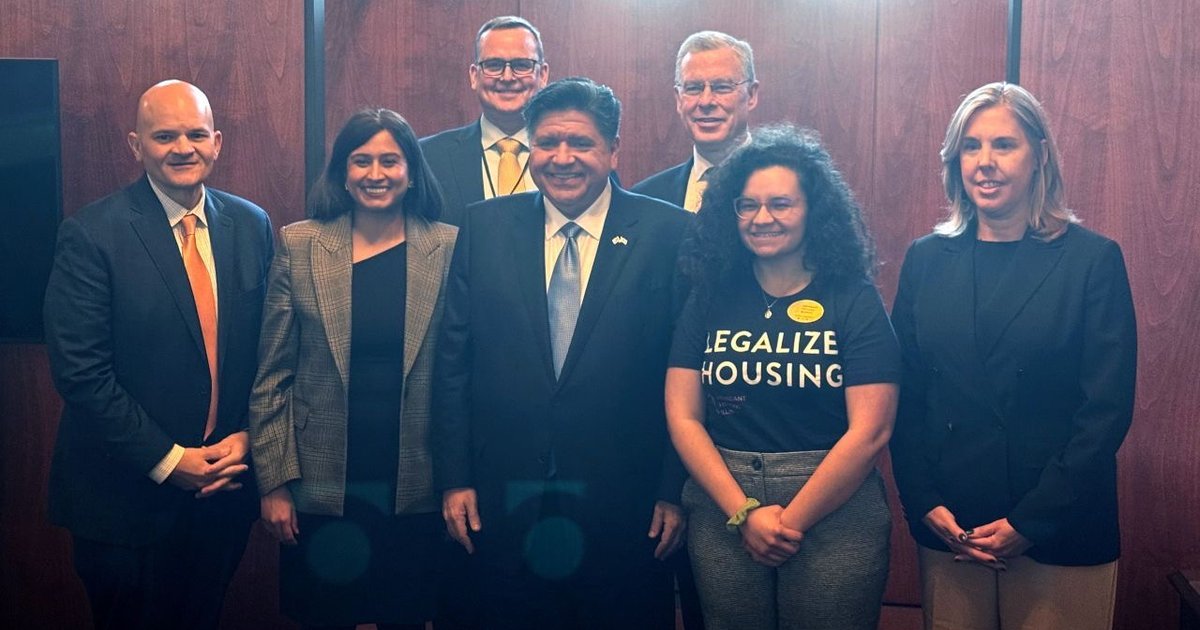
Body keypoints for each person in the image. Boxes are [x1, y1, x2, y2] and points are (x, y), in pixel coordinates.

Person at [432, 77, 690, 629]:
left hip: (627, 499)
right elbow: (453, 363)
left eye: (581, 143)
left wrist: (674, 489)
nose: (562, 158)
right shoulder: (484, 225)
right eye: (547, 143)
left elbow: (686, 373)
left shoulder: (669, 232)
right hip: (501, 494)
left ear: (613, 150)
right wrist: (454, 478)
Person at [890, 82, 1137, 630]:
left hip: (1061, 527)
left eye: (1004, 145)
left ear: (1039, 155)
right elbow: (903, 396)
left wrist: (1031, 520)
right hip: (954, 529)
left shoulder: (1091, 260)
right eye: (971, 147)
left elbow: (1105, 411)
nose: (985, 163)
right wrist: (923, 501)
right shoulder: (925, 260)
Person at [43, 80, 274, 630]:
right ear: (135, 144)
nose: (182, 148)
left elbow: (270, 349)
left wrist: (248, 435)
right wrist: (170, 461)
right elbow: (82, 374)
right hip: (123, 503)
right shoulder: (92, 234)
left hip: (223, 490)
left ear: (217, 142)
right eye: (164, 135)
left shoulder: (251, 224)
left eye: (196, 134)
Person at [665, 124, 899, 629]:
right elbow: (683, 416)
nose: (761, 218)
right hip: (724, 507)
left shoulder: (853, 297)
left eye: (780, 204)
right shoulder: (709, 295)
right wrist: (745, 515)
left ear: (813, 210)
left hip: (834, 511)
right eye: (747, 205)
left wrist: (787, 522)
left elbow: (871, 431)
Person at [249, 109, 457, 629]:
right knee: (325, 615)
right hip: (320, 483)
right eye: (360, 161)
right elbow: (273, 376)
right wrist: (274, 482)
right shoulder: (299, 244)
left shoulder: (450, 247)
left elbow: (463, 372)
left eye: (390, 160)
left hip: (416, 480)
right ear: (342, 172)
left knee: (407, 615)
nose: (375, 173)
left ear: (412, 171)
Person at [420, 16, 550, 226]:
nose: (507, 77)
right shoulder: (428, 157)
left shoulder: (573, 158)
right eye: (494, 65)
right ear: (474, 76)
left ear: (543, 75)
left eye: (522, 65)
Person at [633, 30, 759, 212]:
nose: (706, 101)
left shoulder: (793, 187)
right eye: (693, 88)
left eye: (722, 87)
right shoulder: (647, 199)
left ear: (751, 95)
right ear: (678, 99)